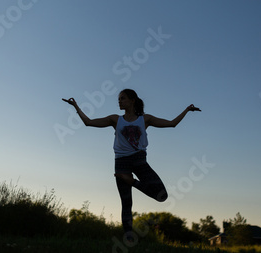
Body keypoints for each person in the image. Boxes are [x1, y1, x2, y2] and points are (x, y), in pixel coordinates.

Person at [62, 89, 201, 239]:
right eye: (119, 99)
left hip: (140, 160)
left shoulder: (145, 119)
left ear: (132, 100)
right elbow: (88, 122)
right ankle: (128, 240)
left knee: (162, 196)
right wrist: (76, 106)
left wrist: (187, 110)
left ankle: (132, 182)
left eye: (123, 98)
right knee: (127, 203)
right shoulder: (115, 119)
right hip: (121, 163)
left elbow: (172, 124)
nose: (119, 101)